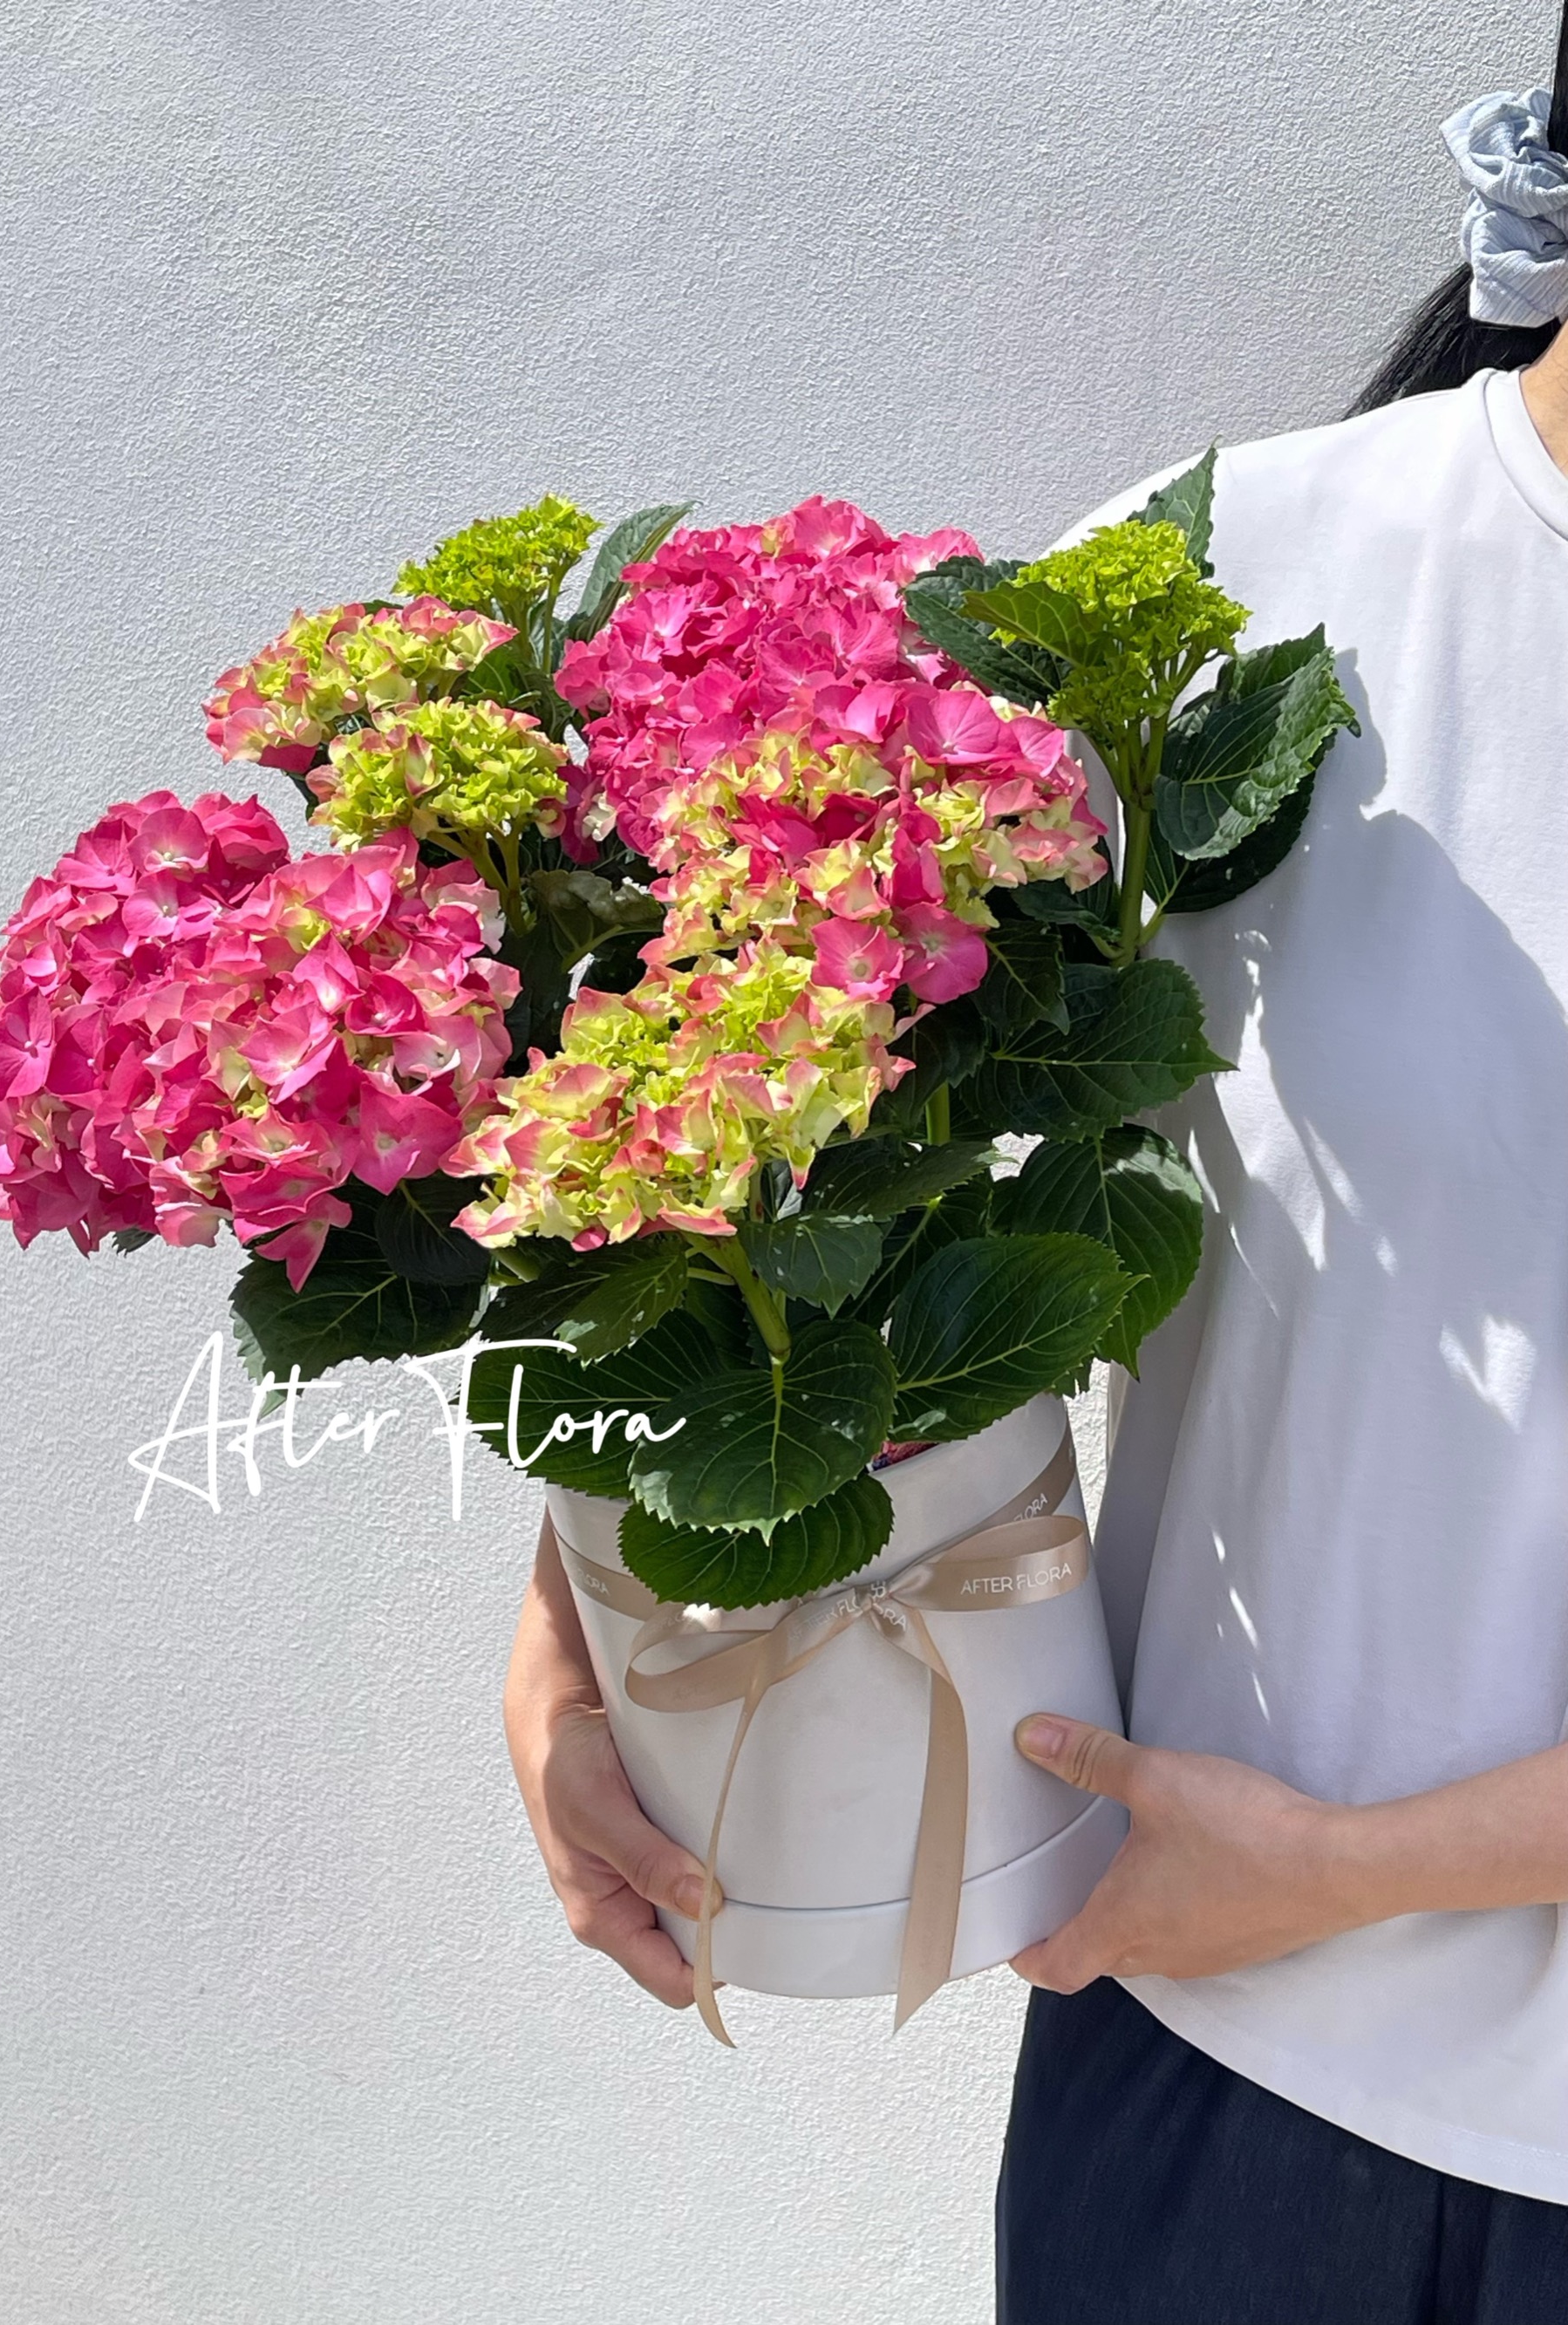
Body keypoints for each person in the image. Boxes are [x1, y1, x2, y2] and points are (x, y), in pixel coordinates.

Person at [502, 46, 1568, 2324]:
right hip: (1214, 2102)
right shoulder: (1247, 581)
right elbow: (777, 1091)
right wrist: (581, 1603)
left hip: (1233, 1940)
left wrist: (1347, 1871)